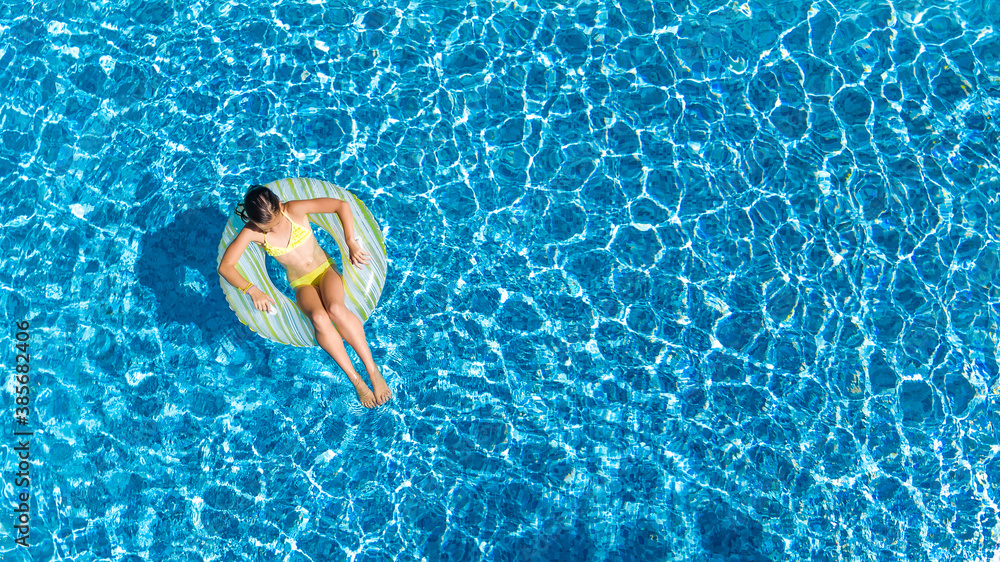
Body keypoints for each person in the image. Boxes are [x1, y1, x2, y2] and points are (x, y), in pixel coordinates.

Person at [218, 185, 391, 408]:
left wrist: (350, 241)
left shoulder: (294, 210)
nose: (270, 231)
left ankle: (372, 370)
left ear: (280, 206)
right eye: (266, 229)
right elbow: (226, 266)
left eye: (275, 224)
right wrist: (252, 290)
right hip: (301, 283)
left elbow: (341, 205)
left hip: (326, 271)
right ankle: (356, 381)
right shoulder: (252, 231)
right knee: (319, 318)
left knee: (336, 309)